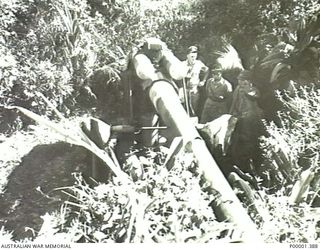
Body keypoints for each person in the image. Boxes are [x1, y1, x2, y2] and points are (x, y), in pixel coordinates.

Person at [228, 70, 264, 175]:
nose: (240, 82)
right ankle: (237, 161)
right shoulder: (238, 89)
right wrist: (231, 114)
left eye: (242, 80)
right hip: (240, 117)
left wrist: (247, 89)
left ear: (248, 81)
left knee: (249, 140)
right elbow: (234, 102)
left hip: (251, 120)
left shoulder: (253, 90)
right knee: (238, 138)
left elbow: (254, 95)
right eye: (239, 80)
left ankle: (249, 164)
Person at [180, 46, 209, 117]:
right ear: (187, 55)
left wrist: (203, 81)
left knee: (193, 109)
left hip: (194, 90)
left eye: (195, 55)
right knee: (183, 109)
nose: (193, 57)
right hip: (184, 90)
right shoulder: (182, 64)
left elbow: (207, 70)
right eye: (191, 55)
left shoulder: (199, 63)